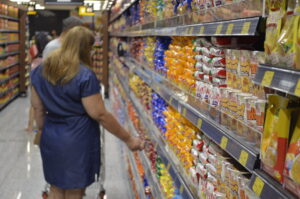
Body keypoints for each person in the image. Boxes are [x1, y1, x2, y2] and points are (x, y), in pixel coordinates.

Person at [30, 26, 144, 199]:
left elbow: (38, 108)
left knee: (56, 187)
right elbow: (99, 114)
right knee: (75, 190)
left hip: (51, 135)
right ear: (86, 48)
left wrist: (43, 131)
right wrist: (128, 138)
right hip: (78, 138)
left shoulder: (40, 70)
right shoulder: (84, 75)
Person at [26, 32, 50, 132]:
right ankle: (44, 122)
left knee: (34, 102)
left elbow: (28, 60)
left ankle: (30, 126)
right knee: (46, 99)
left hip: (34, 74)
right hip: (45, 74)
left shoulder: (33, 48)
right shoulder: (49, 48)